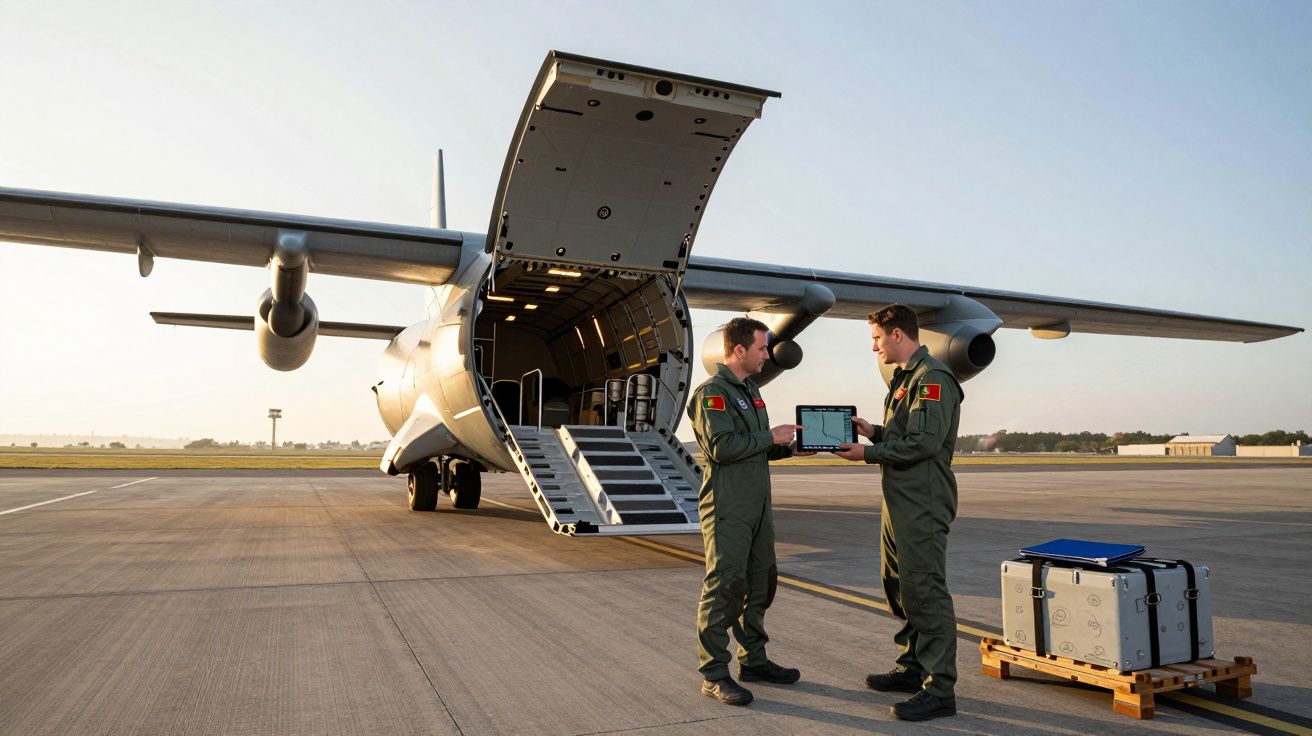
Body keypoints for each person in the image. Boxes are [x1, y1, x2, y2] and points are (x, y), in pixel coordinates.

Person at [833, 304, 963, 722]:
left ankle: (940, 688)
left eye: (876, 338)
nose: (874, 347)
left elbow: (926, 445)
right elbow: (908, 436)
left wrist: (869, 453)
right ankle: (912, 667)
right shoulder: (906, 380)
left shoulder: (933, 379)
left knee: (925, 590)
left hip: (922, 503)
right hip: (899, 500)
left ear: (897, 335)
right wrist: (875, 432)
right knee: (899, 585)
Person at [687, 317, 808, 706]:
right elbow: (721, 447)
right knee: (725, 587)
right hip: (728, 507)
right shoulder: (713, 394)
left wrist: (785, 446)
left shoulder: (751, 391)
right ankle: (714, 672)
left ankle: (753, 659)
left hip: (757, 507)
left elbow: (754, 446)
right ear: (739, 350)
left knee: (759, 584)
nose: (766, 354)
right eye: (761, 347)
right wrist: (768, 437)